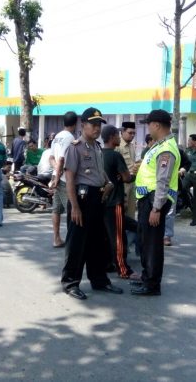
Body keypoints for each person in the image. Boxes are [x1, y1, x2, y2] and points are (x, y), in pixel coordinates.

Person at [61, 107, 122, 300]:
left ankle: (99, 280)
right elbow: (69, 179)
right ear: (83, 125)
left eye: (99, 124)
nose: (97, 128)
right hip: (81, 199)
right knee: (77, 243)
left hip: (97, 197)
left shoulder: (96, 147)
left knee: (98, 242)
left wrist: (108, 182)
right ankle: (70, 283)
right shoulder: (75, 147)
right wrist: (75, 207)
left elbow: (99, 171)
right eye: (93, 124)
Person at [131, 109, 181, 296]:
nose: (148, 128)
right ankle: (147, 277)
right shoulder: (160, 145)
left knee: (152, 244)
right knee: (146, 240)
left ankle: (152, 284)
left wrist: (156, 208)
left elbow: (163, 181)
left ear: (157, 125)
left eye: (149, 125)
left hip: (154, 200)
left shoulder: (166, 149)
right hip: (149, 199)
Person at [101, 125, 139, 280]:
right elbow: (126, 178)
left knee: (106, 235)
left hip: (103, 202)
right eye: (117, 135)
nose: (119, 137)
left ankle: (107, 264)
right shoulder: (115, 155)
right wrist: (136, 173)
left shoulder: (99, 154)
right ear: (112, 137)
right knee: (118, 237)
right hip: (114, 201)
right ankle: (123, 270)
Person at [50, 111, 78, 248]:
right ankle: (72, 241)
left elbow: (51, 158)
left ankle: (56, 238)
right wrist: (58, 175)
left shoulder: (57, 137)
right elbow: (61, 159)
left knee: (56, 209)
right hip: (64, 179)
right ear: (75, 123)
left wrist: (55, 173)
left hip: (56, 176)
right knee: (71, 209)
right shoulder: (69, 137)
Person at [164, 147, 191, 246]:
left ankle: (167, 236)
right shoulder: (154, 149)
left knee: (170, 211)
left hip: (172, 185)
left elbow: (187, 163)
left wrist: (182, 170)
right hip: (154, 185)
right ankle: (155, 235)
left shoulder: (176, 150)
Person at [181, 134, 196, 226]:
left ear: (195, 142)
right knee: (182, 188)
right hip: (189, 174)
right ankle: (190, 203)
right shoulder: (187, 151)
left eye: (189, 140)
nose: (188, 142)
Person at [117, 121, 138, 220]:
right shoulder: (118, 146)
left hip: (132, 183)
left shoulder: (131, 146)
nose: (132, 135)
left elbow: (131, 163)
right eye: (130, 133)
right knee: (122, 213)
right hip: (123, 184)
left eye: (134, 133)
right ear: (122, 132)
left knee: (131, 212)